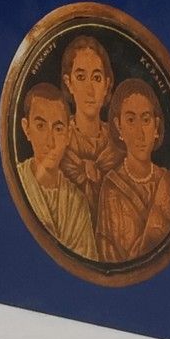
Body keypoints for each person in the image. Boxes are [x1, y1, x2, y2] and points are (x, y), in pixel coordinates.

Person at [94, 76, 170, 263]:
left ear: (156, 127)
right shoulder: (111, 188)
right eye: (130, 120)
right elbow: (108, 262)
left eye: (146, 120)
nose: (140, 132)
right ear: (119, 127)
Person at [14, 78, 97, 258]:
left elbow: (85, 263)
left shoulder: (77, 202)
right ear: (26, 129)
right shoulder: (15, 181)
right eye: (40, 126)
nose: (50, 142)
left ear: (68, 134)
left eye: (58, 129)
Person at [57, 32, 123, 222]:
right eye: (80, 77)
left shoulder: (120, 143)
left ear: (107, 85)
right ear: (69, 83)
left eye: (96, 78)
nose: (89, 89)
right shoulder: (57, 139)